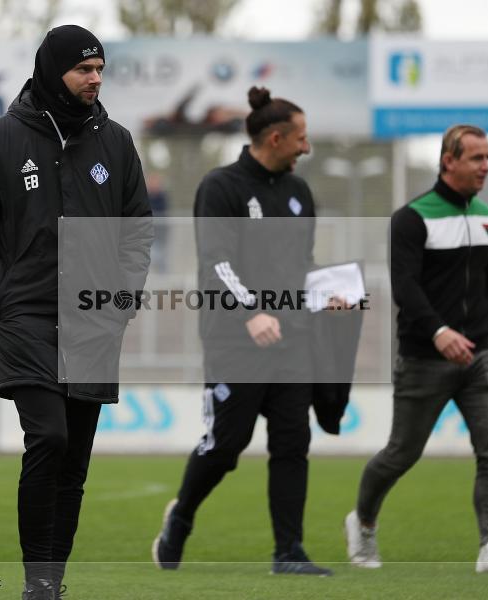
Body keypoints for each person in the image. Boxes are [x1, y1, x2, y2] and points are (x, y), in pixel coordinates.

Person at [0, 25, 151, 600]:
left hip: (94, 318)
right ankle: (37, 581)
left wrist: (123, 297)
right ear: (51, 70)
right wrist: (2, 292)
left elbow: (137, 230)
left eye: (100, 70)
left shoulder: (116, 143)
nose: (94, 79)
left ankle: (50, 584)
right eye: (84, 69)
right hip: (24, 315)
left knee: (75, 465)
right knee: (50, 438)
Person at [151, 87, 334, 576]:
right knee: (226, 445)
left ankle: (288, 552)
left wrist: (326, 289)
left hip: (292, 338)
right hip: (235, 339)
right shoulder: (222, 187)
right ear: (275, 138)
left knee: (293, 442)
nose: (306, 147)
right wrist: (252, 312)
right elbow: (217, 262)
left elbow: (302, 263)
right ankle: (181, 518)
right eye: (301, 138)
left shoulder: (299, 193)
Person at [344, 124, 488, 575]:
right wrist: (438, 332)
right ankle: (363, 522)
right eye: (476, 158)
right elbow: (405, 288)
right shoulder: (411, 218)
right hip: (425, 357)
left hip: (482, 355)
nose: (486, 166)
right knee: (401, 454)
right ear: (449, 161)